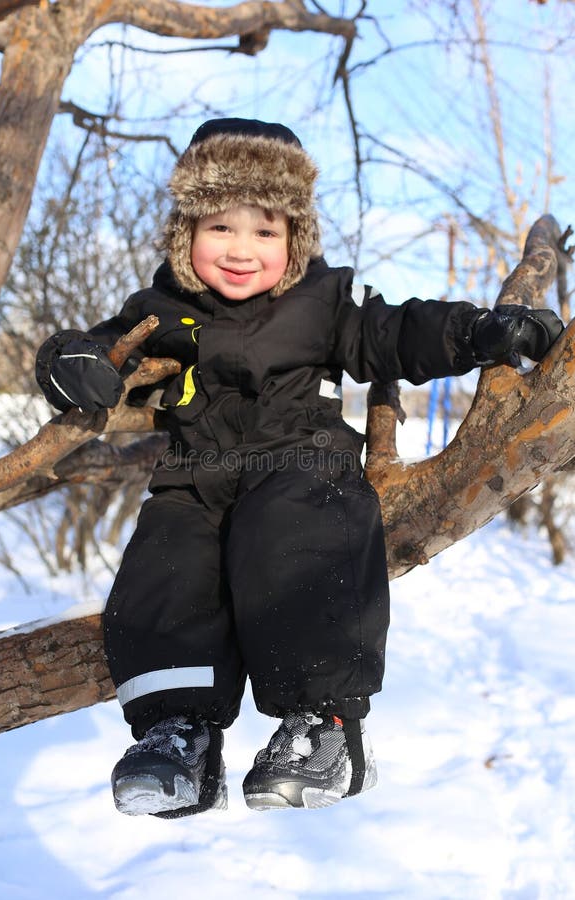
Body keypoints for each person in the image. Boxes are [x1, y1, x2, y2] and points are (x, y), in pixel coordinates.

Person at [35, 118, 564, 818]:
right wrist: (74, 366)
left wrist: (476, 332)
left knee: (293, 540)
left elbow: (394, 333)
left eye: (265, 231)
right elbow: (98, 348)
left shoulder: (321, 305)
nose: (242, 250)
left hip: (299, 462)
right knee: (166, 566)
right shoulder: (160, 308)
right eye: (220, 227)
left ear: (297, 241)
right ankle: (178, 733)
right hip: (195, 475)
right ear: (185, 234)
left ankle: (325, 728)